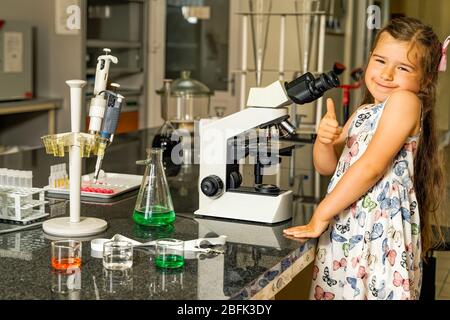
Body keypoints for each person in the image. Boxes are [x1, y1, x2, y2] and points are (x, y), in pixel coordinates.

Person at [283, 17, 447, 300]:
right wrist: (323, 141)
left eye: (403, 67)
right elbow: (328, 167)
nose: (386, 74)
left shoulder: (404, 102)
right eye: (380, 61)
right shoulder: (364, 112)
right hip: (348, 231)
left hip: (380, 235)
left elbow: (371, 167)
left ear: (427, 78)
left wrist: (321, 214)